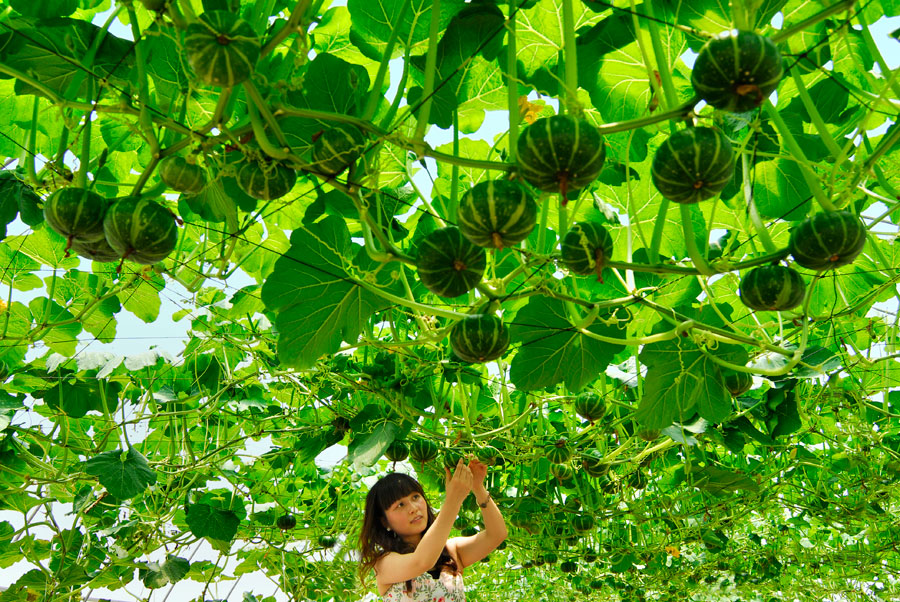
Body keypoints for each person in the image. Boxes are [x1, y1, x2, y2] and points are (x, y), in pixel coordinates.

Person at [358, 457, 508, 601]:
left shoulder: (451, 550)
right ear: (385, 522)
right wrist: (453, 500)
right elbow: (421, 562)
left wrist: (477, 487)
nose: (413, 508)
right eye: (400, 505)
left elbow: (497, 534)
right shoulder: (384, 563)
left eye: (415, 497)